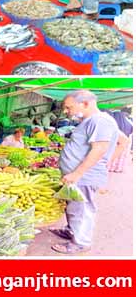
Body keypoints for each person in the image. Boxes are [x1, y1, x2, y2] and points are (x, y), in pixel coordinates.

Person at [49, 90, 118, 254]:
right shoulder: (92, 121)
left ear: (85, 104)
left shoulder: (100, 121)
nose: (66, 111)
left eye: (68, 107)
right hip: (80, 176)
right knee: (74, 207)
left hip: (84, 177)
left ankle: (81, 242)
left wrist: (77, 174)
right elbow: (122, 140)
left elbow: (99, 148)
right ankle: (71, 231)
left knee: (83, 209)